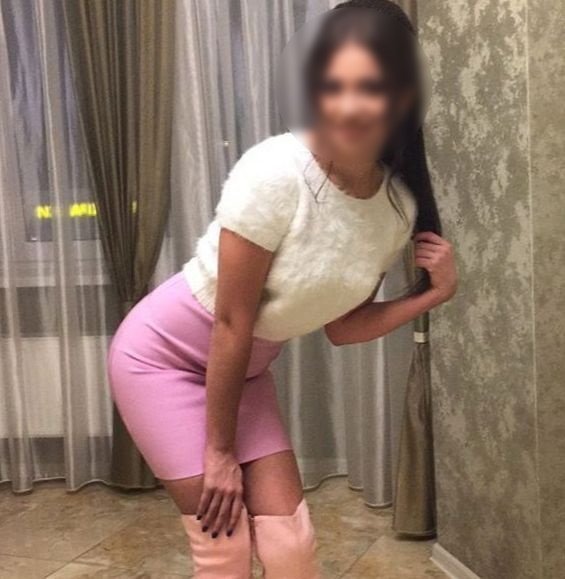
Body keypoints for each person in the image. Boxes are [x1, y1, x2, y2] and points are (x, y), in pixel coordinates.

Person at [108, 1, 457, 577]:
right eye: (332, 85)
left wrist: (430, 296)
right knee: (224, 545)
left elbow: (343, 327)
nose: (347, 106)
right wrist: (219, 452)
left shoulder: (396, 209)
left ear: (400, 98)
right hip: (161, 360)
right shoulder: (274, 171)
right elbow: (230, 322)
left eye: (369, 87)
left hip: (242, 373)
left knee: (290, 544)